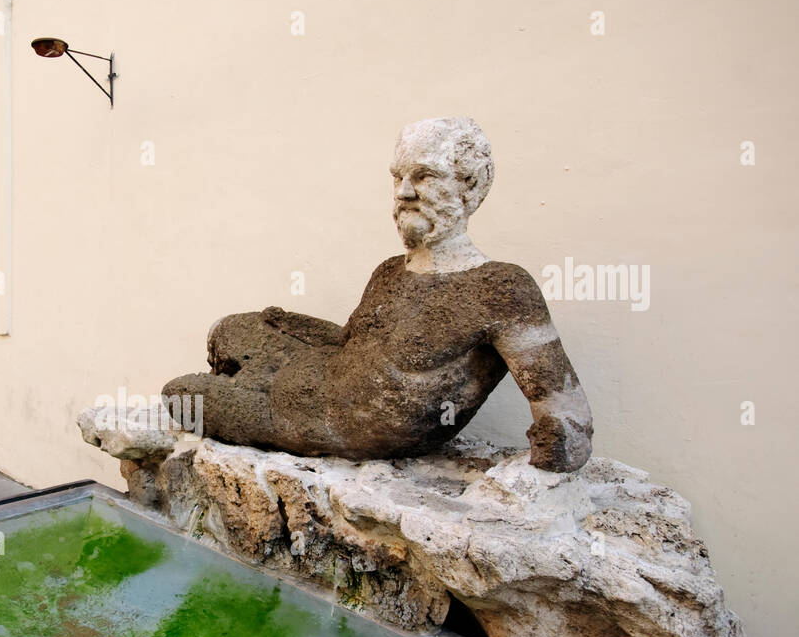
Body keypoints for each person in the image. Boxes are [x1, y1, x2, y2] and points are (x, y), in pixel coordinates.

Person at [162, 117, 593, 472]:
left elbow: (565, 410)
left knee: (181, 394)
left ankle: (244, 391)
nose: (404, 192)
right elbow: (350, 345)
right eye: (398, 177)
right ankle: (250, 376)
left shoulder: (500, 288)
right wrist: (283, 324)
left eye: (424, 176)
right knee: (234, 328)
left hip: (320, 422)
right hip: (317, 379)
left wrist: (555, 449)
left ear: (470, 186)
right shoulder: (390, 271)